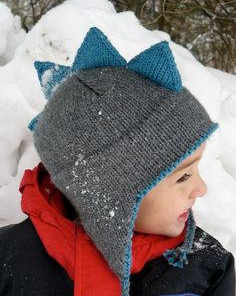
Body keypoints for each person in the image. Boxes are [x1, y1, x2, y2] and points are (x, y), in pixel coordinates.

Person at [0, 27, 235, 296]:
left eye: (196, 170)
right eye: (183, 176)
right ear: (111, 193)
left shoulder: (208, 267)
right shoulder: (10, 260)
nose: (201, 189)